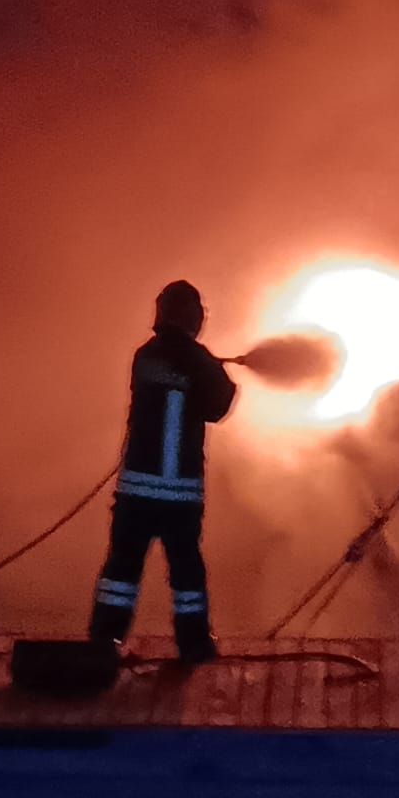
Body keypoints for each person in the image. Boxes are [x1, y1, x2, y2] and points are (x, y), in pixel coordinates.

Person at [88, 279, 237, 662]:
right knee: (186, 572)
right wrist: (209, 368)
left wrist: (201, 366)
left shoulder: (145, 356)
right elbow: (217, 407)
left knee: (121, 570)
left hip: (135, 491)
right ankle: (194, 645)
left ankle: (104, 641)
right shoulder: (198, 360)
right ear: (193, 317)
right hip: (179, 496)